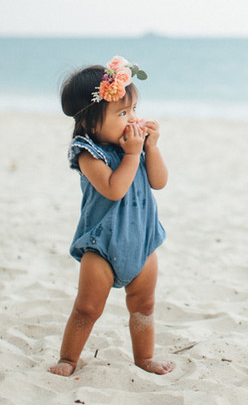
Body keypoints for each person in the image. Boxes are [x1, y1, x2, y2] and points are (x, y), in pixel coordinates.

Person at [49, 56, 172, 376]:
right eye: (121, 113)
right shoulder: (88, 153)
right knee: (87, 308)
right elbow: (114, 189)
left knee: (144, 306)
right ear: (91, 124)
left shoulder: (134, 146)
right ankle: (68, 359)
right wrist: (132, 153)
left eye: (133, 110)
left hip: (142, 241)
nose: (132, 120)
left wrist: (151, 148)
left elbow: (159, 181)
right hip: (102, 245)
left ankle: (144, 358)